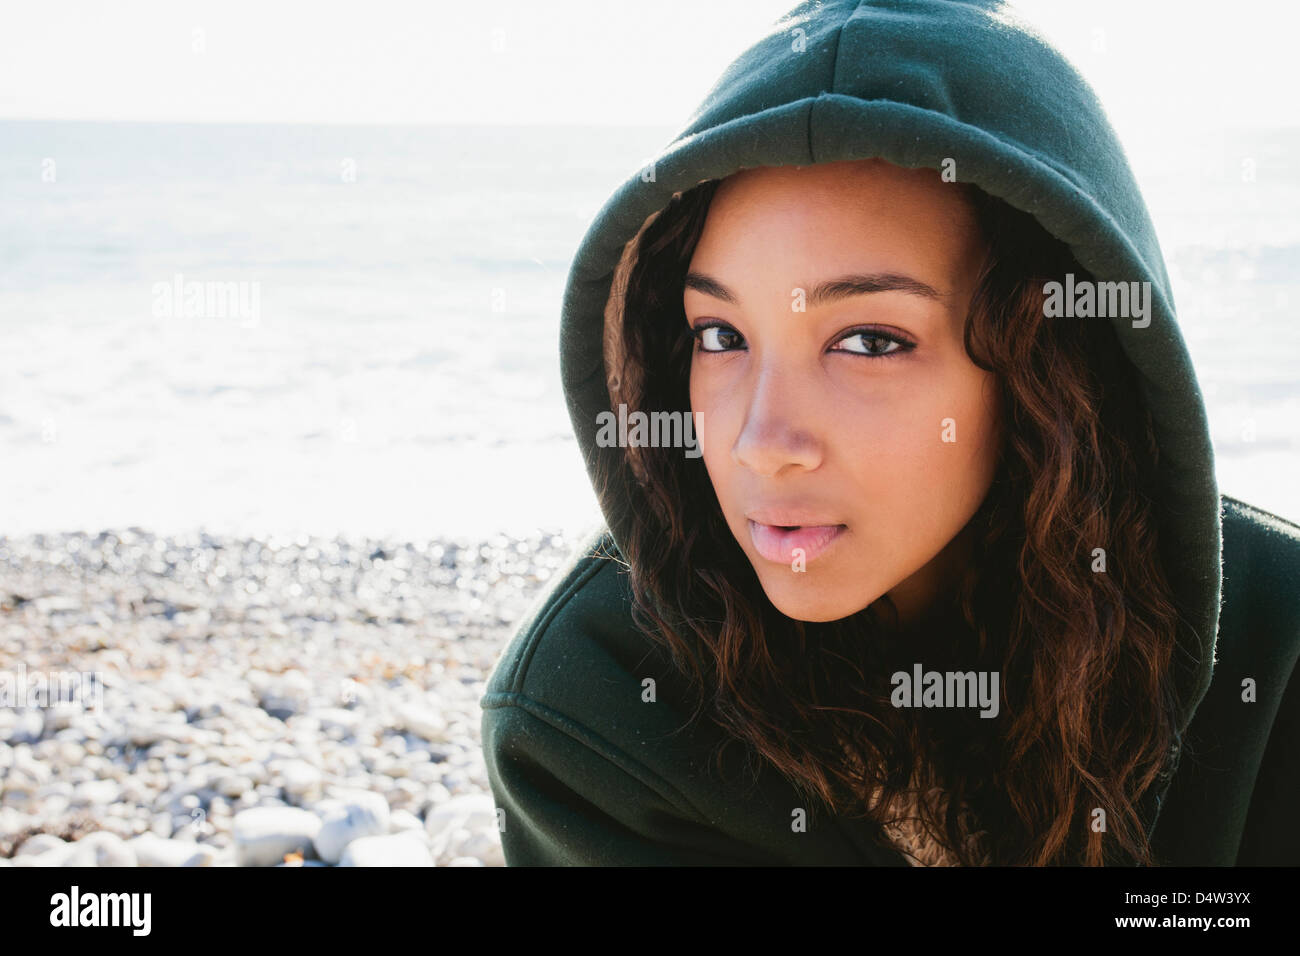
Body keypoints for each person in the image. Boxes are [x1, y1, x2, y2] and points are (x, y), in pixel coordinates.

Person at [480, 0, 1300, 865]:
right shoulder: (597, 707)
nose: (761, 441)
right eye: (720, 335)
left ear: (1051, 372)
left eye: (868, 341)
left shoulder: (1276, 651)